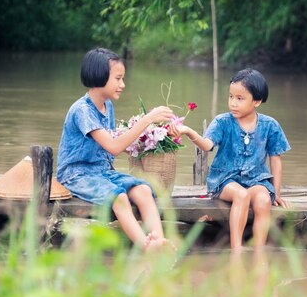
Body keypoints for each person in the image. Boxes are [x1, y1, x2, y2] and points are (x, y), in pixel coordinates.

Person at [57, 47, 175, 252]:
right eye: (118, 79)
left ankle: (158, 242)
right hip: (76, 174)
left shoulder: (107, 105)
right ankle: (145, 247)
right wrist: (147, 120)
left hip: (102, 172)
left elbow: (110, 146)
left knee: (144, 190)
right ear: (99, 76)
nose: (123, 85)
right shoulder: (82, 110)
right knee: (118, 196)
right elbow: (113, 147)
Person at [173, 68, 290, 250]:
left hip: (256, 179)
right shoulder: (222, 122)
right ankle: (237, 250)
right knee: (241, 195)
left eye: (240, 98)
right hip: (224, 180)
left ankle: (259, 251)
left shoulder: (270, 125)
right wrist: (189, 131)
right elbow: (207, 145)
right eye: (231, 97)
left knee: (263, 199)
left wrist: (277, 193)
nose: (233, 103)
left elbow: (276, 159)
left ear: (257, 101)